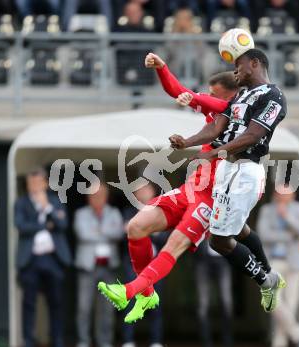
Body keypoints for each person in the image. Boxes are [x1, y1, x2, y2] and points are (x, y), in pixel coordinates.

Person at [98, 51, 277, 323]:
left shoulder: (236, 109)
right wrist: (162, 67)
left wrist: (194, 99)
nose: (208, 97)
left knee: (185, 242)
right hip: (191, 189)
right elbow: (179, 91)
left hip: (215, 195)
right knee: (135, 227)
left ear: (228, 96)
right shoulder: (223, 112)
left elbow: (199, 99)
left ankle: (130, 291)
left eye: (213, 94)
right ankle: (147, 294)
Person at [169, 48, 287, 312]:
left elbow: (252, 136)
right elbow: (215, 128)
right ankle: (268, 274)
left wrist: (211, 154)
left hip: (247, 170)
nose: (235, 71)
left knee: (218, 239)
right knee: (237, 229)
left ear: (255, 64)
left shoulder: (274, 96)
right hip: (227, 169)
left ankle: (265, 279)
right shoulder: (241, 95)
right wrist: (186, 142)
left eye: (239, 65)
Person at [14, 168, 71, 347]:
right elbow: (21, 226)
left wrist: (47, 207)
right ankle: (28, 341)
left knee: (56, 301)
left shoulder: (55, 201)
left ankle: (57, 340)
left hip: (53, 259)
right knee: (29, 303)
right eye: (31, 183)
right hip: (31, 260)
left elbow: (62, 224)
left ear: (45, 183)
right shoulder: (21, 203)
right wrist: (45, 225)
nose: (34, 186)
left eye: (38, 182)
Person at [74, 182, 124, 347]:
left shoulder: (114, 212)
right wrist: (106, 231)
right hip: (87, 267)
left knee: (107, 308)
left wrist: (97, 231)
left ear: (106, 197)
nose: (97, 199)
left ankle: (105, 341)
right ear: (88, 197)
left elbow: (119, 233)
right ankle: (83, 341)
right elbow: (83, 234)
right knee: (84, 307)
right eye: (94, 196)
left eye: (101, 195)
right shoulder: (81, 214)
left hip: (109, 267)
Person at [258, 184, 299, 347]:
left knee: (291, 305)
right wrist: (289, 236)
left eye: (287, 194)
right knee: (272, 300)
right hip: (273, 261)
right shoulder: (266, 210)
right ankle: (297, 333)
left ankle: (279, 343)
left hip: (295, 262)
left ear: (293, 195)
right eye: (280, 193)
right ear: (275, 194)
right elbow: (264, 234)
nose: (283, 197)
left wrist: (286, 218)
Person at [121, 183, 165, 347]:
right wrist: (150, 229)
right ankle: (128, 340)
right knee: (130, 300)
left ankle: (155, 341)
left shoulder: (160, 211)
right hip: (133, 263)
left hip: (155, 264)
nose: (142, 192)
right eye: (139, 190)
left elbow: (165, 235)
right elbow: (127, 233)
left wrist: (143, 230)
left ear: (152, 192)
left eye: (145, 189)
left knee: (155, 301)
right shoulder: (129, 212)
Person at [194, 240, 234, 347]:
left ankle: (227, 341)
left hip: (223, 259)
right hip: (202, 260)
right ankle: (206, 343)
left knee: (227, 303)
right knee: (203, 305)